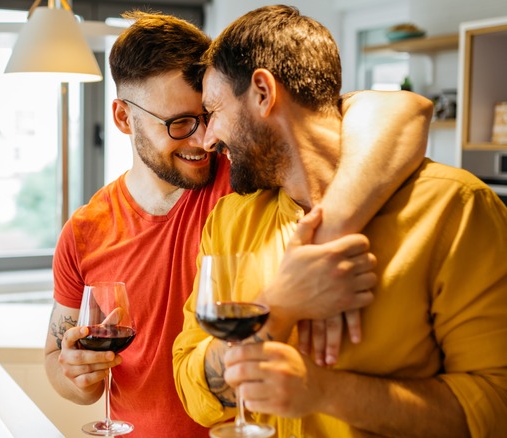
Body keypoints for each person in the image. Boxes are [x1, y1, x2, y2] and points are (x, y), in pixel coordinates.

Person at [46, 10, 433, 437]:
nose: (204, 139)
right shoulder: (85, 231)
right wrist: (77, 376)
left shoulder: (247, 176)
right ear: (123, 118)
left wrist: (332, 229)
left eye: (208, 114)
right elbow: (55, 360)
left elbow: (403, 109)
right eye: (180, 123)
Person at [172, 5, 507, 437]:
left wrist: (326, 393)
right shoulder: (229, 220)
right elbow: (191, 387)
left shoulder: (456, 208)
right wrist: (278, 307)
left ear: (263, 92)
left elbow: (495, 408)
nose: (207, 139)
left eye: (214, 111)